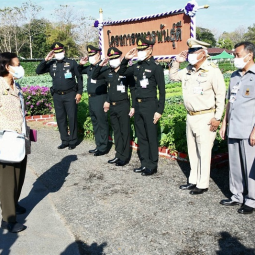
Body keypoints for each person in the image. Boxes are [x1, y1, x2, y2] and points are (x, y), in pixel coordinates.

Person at [169, 38, 226, 195]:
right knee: (192, 151)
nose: (190, 55)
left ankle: (202, 183)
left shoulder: (212, 71)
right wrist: (176, 61)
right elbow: (173, 77)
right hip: (191, 116)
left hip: (206, 116)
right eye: (189, 52)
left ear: (202, 53)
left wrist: (218, 117)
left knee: (204, 151)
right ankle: (193, 180)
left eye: (193, 52)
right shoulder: (188, 70)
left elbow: (221, 96)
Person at [118, 37, 165, 176]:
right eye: (139, 50)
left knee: (151, 135)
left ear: (150, 50)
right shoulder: (136, 66)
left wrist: (159, 110)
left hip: (150, 105)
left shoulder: (155, 67)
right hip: (138, 105)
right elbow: (122, 72)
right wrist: (126, 59)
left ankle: (152, 164)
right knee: (141, 135)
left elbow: (162, 92)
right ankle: (144, 163)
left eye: (143, 49)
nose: (140, 52)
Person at [219, 41, 255, 214]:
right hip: (233, 127)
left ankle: (252, 199)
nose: (235, 58)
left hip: (249, 130)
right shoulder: (234, 75)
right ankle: (237, 195)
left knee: (250, 167)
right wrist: (224, 122)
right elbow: (229, 102)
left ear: (249, 55)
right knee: (235, 165)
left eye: (237, 55)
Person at [0, 52, 31, 233]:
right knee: (7, 180)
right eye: (17, 64)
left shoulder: (15, 85)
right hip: (6, 140)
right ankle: (8, 219)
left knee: (19, 175)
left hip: (20, 138)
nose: (20, 68)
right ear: (7, 67)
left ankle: (13, 203)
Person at [91, 47, 136, 166]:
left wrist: (133, 106)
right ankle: (118, 154)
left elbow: (133, 88)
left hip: (124, 105)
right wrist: (101, 64)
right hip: (113, 106)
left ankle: (125, 156)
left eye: (115, 58)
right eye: (111, 59)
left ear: (120, 58)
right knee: (116, 131)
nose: (113, 61)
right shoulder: (108, 72)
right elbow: (94, 76)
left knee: (124, 131)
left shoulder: (125, 71)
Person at [36, 42, 83, 150]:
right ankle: (64, 140)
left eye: (60, 52)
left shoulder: (71, 63)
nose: (58, 54)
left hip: (70, 94)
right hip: (57, 95)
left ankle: (73, 141)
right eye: (56, 52)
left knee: (72, 118)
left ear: (64, 51)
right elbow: (38, 71)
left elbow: (79, 78)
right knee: (60, 118)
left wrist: (79, 92)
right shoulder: (51, 64)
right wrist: (45, 60)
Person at [78, 45, 109, 156]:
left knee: (102, 123)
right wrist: (81, 64)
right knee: (95, 122)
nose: (91, 57)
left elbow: (110, 86)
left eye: (93, 55)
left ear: (99, 54)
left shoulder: (104, 68)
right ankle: (98, 145)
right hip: (91, 98)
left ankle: (104, 147)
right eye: (90, 55)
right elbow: (78, 71)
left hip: (100, 97)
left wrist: (107, 100)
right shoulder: (90, 68)